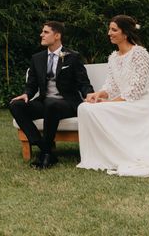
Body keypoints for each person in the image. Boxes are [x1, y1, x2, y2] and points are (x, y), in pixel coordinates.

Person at [77, 15, 149, 177]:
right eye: (109, 29)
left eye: (114, 30)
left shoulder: (139, 54)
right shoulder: (113, 57)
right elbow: (111, 86)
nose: (109, 33)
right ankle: (102, 155)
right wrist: (98, 94)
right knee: (85, 107)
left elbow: (137, 89)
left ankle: (119, 154)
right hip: (123, 102)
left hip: (141, 105)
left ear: (126, 33)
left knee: (94, 109)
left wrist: (108, 103)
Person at [10, 21, 93, 169]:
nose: (41, 35)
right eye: (42, 31)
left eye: (45, 32)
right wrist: (26, 94)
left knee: (51, 104)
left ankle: (46, 155)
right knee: (15, 105)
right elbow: (32, 83)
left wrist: (90, 95)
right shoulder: (37, 58)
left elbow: (83, 82)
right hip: (45, 102)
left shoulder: (72, 57)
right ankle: (44, 147)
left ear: (57, 35)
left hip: (67, 104)